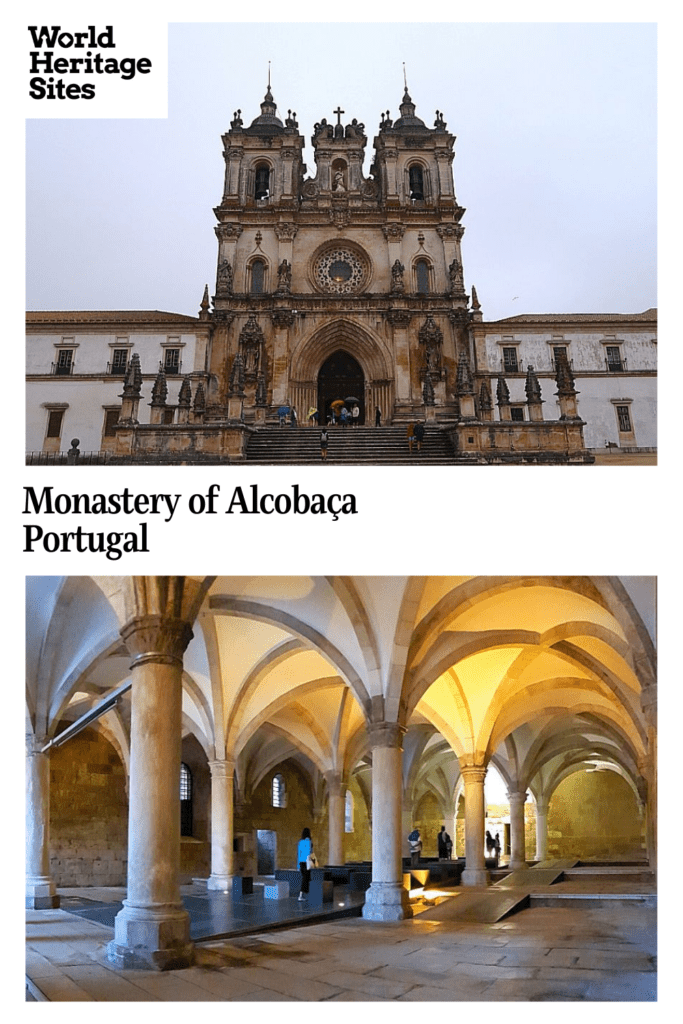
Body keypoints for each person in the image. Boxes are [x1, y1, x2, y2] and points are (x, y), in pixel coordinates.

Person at [297, 827, 314, 901]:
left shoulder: (300, 841)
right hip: (306, 862)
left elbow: (299, 853)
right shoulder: (309, 841)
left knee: (305, 878)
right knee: (305, 879)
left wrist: (298, 865)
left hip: (301, 862)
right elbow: (310, 852)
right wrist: (312, 862)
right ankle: (301, 895)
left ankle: (302, 895)